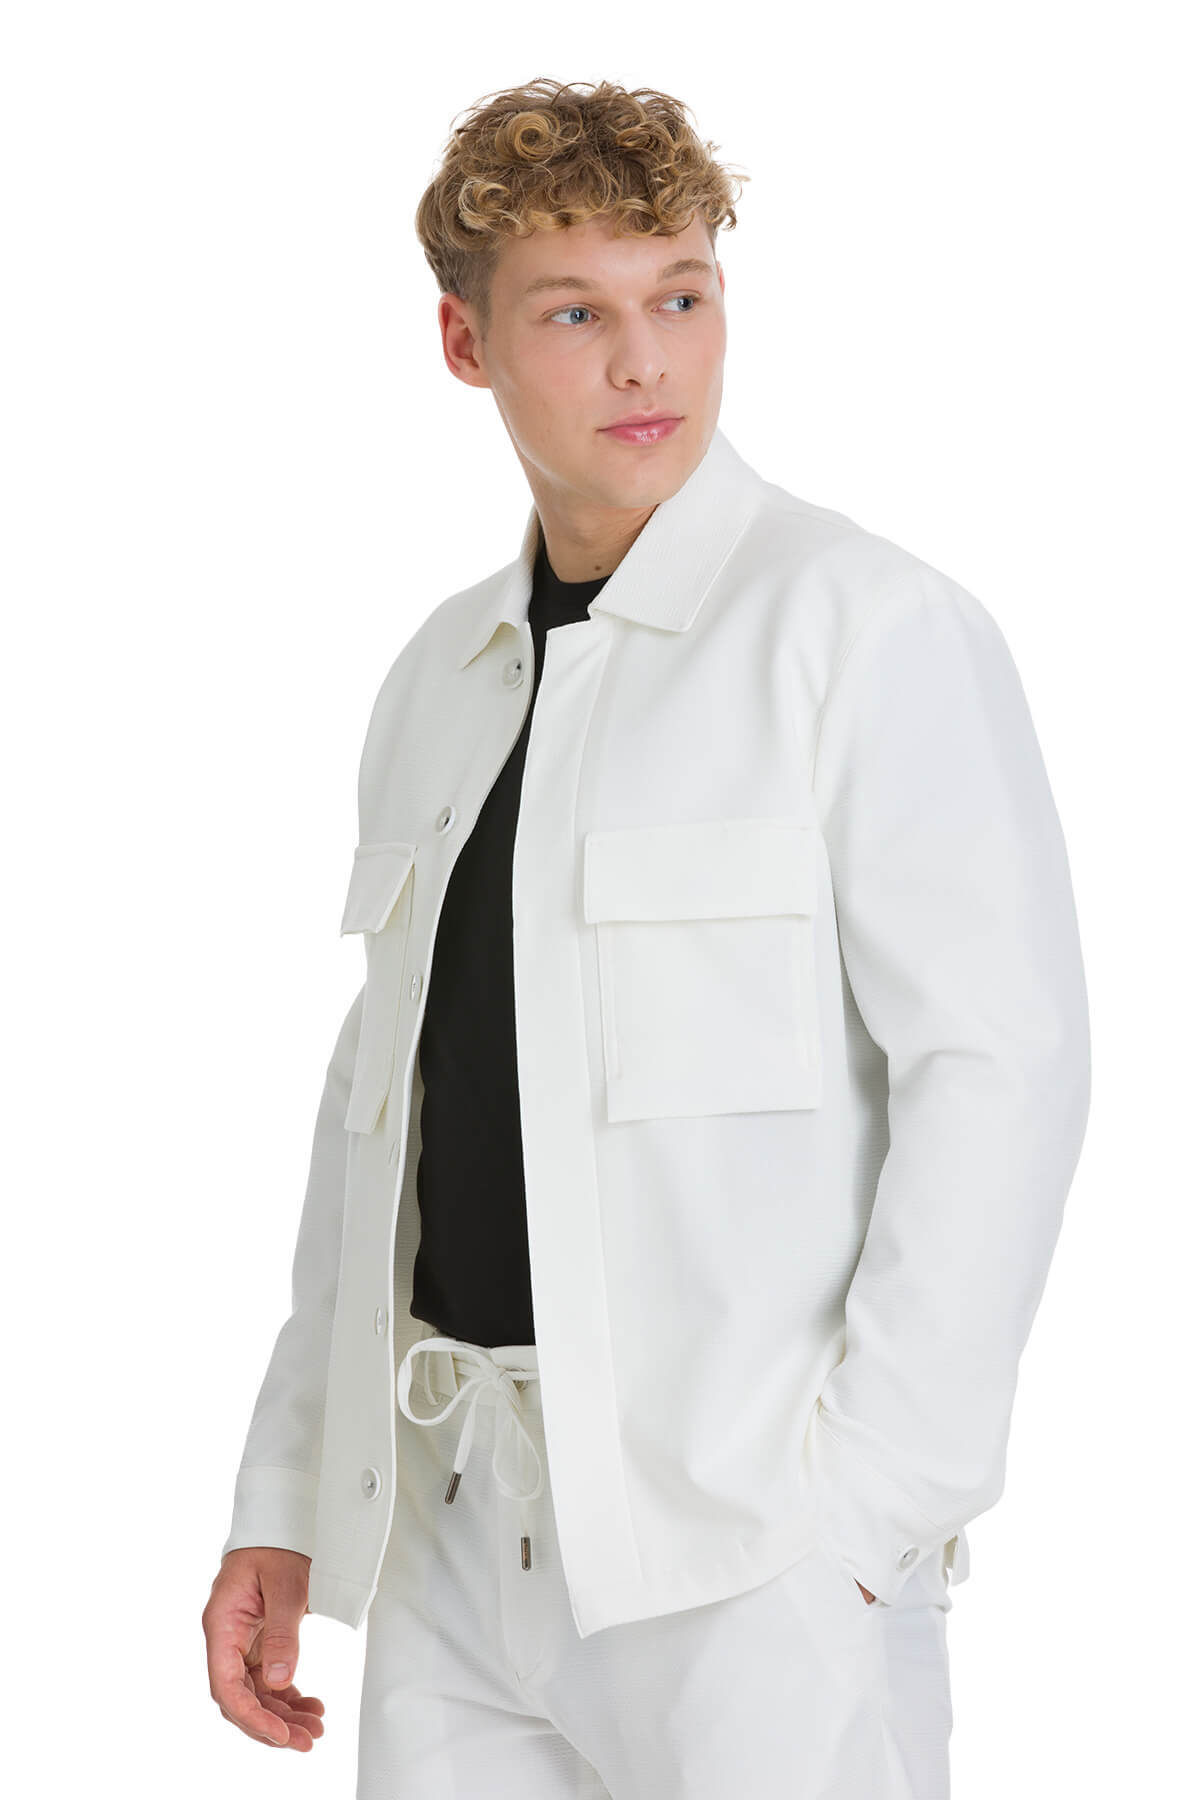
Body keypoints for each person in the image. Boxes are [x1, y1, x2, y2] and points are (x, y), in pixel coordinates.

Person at [202, 76, 1091, 1798]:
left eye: (681, 297)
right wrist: (289, 1499)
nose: (645, 363)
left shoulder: (860, 627)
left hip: (747, 1555)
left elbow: (1002, 1072)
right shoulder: (441, 677)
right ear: (465, 344)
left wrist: (866, 1517)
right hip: (453, 1536)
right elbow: (375, 1121)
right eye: (576, 314)